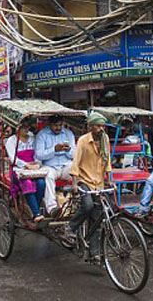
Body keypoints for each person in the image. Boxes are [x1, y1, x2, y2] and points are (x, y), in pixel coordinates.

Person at [67, 112, 112, 262]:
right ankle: (70, 228)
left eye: (103, 126)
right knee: (87, 205)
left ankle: (94, 253)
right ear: (91, 127)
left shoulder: (105, 139)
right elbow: (76, 163)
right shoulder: (83, 141)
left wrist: (109, 180)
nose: (101, 129)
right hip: (84, 180)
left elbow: (108, 161)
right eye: (98, 126)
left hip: (98, 182)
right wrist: (74, 183)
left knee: (97, 219)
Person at [6, 123, 48, 222]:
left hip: (34, 168)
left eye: (27, 127)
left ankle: (33, 207)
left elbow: (38, 153)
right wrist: (26, 165)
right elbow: (12, 158)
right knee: (27, 183)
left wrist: (38, 163)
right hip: (18, 169)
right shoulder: (11, 141)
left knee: (41, 183)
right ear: (17, 128)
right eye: (24, 127)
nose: (26, 129)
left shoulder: (33, 138)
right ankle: (36, 213)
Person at [36, 115, 77, 216]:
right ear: (49, 124)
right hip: (50, 166)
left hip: (65, 165)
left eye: (60, 125)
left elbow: (74, 154)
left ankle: (76, 203)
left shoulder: (68, 134)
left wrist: (68, 150)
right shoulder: (42, 135)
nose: (58, 128)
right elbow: (39, 155)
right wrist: (54, 150)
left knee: (77, 170)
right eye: (55, 125)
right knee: (48, 176)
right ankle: (52, 208)